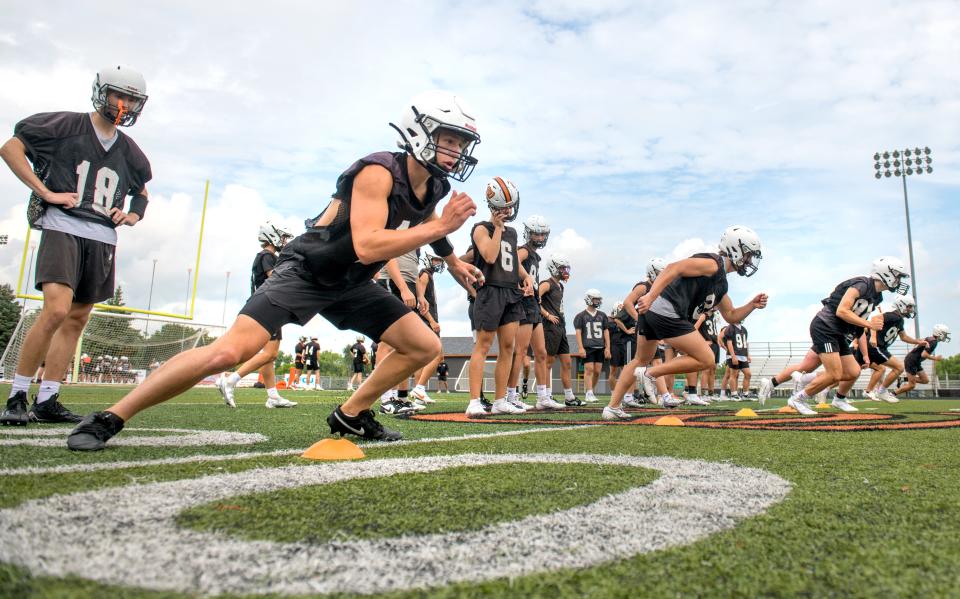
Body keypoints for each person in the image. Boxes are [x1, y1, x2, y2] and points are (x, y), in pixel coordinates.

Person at [66, 90, 481, 450]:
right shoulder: (378, 170)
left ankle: (352, 413)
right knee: (229, 352)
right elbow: (368, 242)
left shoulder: (435, 184)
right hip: (306, 271)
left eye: (460, 143)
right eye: (448, 140)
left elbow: (421, 223)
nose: (456, 151)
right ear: (418, 132)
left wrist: (453, 260)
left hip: (351, 281)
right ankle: (110, 416)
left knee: (424, 346)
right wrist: (441, 227)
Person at [1, 65, 152, 427]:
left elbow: (141, 194)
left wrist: (132, 216)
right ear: (102, 92)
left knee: (77, 318)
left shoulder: (131, 153)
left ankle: (48, 397)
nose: (124, 104)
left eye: (132, 99)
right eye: (120, 95)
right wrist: (45, 191)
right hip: (63, 224)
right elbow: (11, 148)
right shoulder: (64, 125)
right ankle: (18, 395)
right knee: (55, 310)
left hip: (102, 235)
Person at [627, 226, 767, 417]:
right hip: (670, 314)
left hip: (676, 319)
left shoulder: (721, 282)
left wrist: (751, 305)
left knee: (641, 360)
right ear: (735, 248)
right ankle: (651, 378)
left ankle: (616, 405)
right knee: (702, 358)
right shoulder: (713, 264)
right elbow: (674, 268)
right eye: (748, 254)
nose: (750, 260)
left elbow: (732, 315)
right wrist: (651, 295)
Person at [785, 256, 910, 415]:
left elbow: (859, 322)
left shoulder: (877, 296)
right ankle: (798, 399)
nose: (899, 280)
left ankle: (838, 398)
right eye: (898, 276)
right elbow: (842, 311)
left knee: (853, 372)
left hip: (839, 332)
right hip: (825, 327)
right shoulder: (862, 285)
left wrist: (865, 354)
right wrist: (869, 325)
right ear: (886, 273)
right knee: (835, 374)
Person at [464, 177, 535, 418]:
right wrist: (497, 228)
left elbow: (511, 261)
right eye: (506, 206)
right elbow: (491, 256)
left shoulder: (513, 233)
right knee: (483, 346)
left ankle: (499, 400)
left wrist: (527, 277)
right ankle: (474, 401)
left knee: (508, 347)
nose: (509, 210)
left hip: (510, 292)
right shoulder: (481, 228)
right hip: (490, 290)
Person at [216, 222, 297, 409]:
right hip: (269, 306)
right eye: (283, 237)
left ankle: (273, 396)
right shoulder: (267, 256)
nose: (285, 241)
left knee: (269, 356)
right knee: (270, 353)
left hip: (267, 305)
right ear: (273, 236)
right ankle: (230, 379)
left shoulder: (265, 256)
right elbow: (277, 278)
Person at [507, 215, 562, 410]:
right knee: (520, 352)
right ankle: (510, 396)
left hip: (533, 305)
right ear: (528, 233)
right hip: (523, 303)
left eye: (542, 234)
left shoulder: (535, 255)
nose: (539, 237)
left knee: (541, 352)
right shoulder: (523, 250)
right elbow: (511, 261)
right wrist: (520, 285)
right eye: (536, 233)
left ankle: (542, 397)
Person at [858, 296, 924, 403]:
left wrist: (918, 341)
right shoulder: (894, 316)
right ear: (901, 305)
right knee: (898, 367)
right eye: (909, 307)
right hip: (876, 347)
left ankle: (835, 392)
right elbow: (875, 319)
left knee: (850, 372)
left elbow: (904, 337)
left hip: (877, 347)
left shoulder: (900, 320)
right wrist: (873, 336)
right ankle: (881, 391)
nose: (910, 310)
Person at [541, 254, 582, 406]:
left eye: (566, 268)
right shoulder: (547, 284)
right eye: (562, 268)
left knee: (567, 362)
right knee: (548, 362)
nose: (565, 271)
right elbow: (533, 298)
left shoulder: (560, 285)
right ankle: (546, 395)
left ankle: (569, 397)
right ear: (553, 267)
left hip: (561, 327)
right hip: (550, 327)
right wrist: (546, 315)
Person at [409, 252, 445, 403]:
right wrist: (431, 321)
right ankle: (419, 388)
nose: (439, 263)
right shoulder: (424, 274)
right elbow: (420, 302)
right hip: (426, 320)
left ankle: (418, 395)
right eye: (436, 259)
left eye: (440, 260)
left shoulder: (429, 276)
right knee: (438, 355)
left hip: (426, 320)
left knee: (423, 358)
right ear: (429, 260)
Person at [573, 289, 610, 404]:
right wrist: (580, 347)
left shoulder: (603, 315)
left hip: (600, 346)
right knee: (589, 369)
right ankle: (589, 392)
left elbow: (606, 332)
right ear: (589, 299)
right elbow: (578, 332)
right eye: (595, 299)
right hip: (588, 346)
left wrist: (608, 347)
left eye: (598, 299)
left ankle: (591, 391)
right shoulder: (581, 316)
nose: (597, 301)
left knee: (597, 371)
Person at [893, 324, 949, 398]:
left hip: (915, 361)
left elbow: (919, 344)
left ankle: (904, 379)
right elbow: (924, 355)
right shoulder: (934, 342)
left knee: (925, 380)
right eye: (945, 334)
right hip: (912, 361)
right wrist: (936, 358)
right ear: (939, 333)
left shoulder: (929, 338)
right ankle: (892, 394)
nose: (945, 336)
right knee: (911, 385)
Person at [722, 320, 752, 399]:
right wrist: (733, 356)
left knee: (748, 374)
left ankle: (745, 394)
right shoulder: (730, 327)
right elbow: (729, 342)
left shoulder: (744, 329)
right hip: (734, 354)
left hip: (742, 355)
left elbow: (745, 342)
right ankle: (734, 394)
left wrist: (748, 354)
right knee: (734, 375)